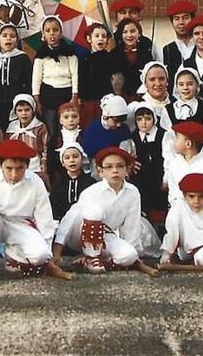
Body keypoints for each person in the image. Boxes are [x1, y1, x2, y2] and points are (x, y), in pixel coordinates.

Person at [0, 139, 72, 284]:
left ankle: (14, 257)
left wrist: (47, 255)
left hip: (21, 225)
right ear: (0, 165)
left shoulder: (36, 182)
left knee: (40, 255)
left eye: (20, 168)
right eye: (9, 168)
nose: (14, 174)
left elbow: (44, 218)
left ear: (27, 166)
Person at [52, 146, 155, 275]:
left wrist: (133, 254)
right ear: (100, 171)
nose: (115, 171)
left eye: (119, 166)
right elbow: (71, 217)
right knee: (94, 211)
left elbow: (132, 226)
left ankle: (92, 261)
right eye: (109, 167)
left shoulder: (132, 192)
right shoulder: (92, 191)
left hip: (105, 235)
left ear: (126, 169)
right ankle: (91, 256)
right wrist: (57, 249)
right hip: (79, 234)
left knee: (128, 256)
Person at [164, 121, 203, 214]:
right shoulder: (174, 165)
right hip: (182, 214)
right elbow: (173, 193)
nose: (174, 142)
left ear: (188, 144)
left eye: (177, 138)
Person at [127, 103, 168, 228]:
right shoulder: (133, 137)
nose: (144, 123)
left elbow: (169, 158)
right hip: (140, 178)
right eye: (139, 119)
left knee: (159, 206)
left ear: (154, 119)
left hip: (158, 176)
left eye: (148, 119)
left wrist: (166, 180)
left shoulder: (163, 135)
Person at [0, 23, 32, 126]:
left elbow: (29, 81)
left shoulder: (22, 58)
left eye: (12, 36)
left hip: (16, 99)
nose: (8, 39)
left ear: (17, 40)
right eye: (5, 36)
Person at [6, 93, 50, 186]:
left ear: (33, 110)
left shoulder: (39, 127)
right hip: (16, 166)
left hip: (34, 166)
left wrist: (43, 170)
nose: (24, 113)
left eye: (27, 110)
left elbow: (45, 150)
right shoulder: (12, 128)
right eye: (20, 110)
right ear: (15, 112)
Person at [78, 23, 116, 126]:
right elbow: (81, 78)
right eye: (97, 36)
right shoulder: (84, 59)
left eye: (104, 36)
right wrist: (79, 96)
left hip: (105, 99)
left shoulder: (110, 58)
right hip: (88, 100)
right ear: (89, 39)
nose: (101, 39)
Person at [49, 142, 95, 222]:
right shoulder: (58, 184)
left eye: (75, 157)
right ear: (62, 162)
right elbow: (54, 207)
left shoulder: (91, 182)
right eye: (67, 158)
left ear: (82, 159)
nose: (72, 160)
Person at [110, 17, 155, 96]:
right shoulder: (114, 53)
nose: (129, 35)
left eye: (133, 31)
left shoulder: (146, 51)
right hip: (120, 95)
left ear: (139, 33)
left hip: (143, 95)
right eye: (125, 32)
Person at [161, 0, 197, 81]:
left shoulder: (201, 46)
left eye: (185, 18)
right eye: (176, 19)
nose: (181, 22)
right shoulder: (167, 50)